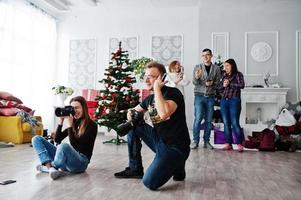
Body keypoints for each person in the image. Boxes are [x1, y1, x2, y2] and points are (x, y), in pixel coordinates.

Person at [114, 61, 191, 191]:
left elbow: (164, 114)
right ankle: (135, 168)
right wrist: (130, 113)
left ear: (162, 78)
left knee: (149, 182)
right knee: (134, 125)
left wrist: (156, 89)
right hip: (159, 141)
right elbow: (135, 110)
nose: (146, 79)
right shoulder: (149, 99)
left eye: (150, 76)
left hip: (175, 147)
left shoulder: (173, 94)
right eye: (146, 76)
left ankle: (177, 163)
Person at [32, 96, 98, 180]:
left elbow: (77, 147)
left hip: (80, 163)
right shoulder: (74, 123)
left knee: (63, 146)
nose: (74, 111)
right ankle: (51, 169)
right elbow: (57, 139)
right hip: (66, 163)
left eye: (77, 108)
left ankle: (51, 167)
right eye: (72, 108)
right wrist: (61, 123)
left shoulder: (92, 125)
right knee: (36, 139)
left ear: (83, 108)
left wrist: (70, 126)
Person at [191, 48, 221, 149]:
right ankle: (195, 141)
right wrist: (197, 77)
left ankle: (206, 142)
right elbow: (195, 82)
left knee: (208, 120)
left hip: (210, 97)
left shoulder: (216, 68)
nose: (205, 57)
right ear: (202, 57)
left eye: (207, 55)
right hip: (199, 96)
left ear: (211, 56)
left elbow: (218, 83)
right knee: (198, 119)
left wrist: (213, 83)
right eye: (203, 55)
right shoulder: (197, 67)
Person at [218, 58, 245, 152]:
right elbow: (220, 89)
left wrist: (230, 84)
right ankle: (228, 144)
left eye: (227, 65)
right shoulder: (223, 75)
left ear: (232, 66)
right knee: (226, 123)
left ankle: (239, 143)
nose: (225, 67)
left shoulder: (238, 74)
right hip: (224, 101)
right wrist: (224, 86)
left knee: (235, 123)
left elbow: (242, 85)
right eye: (224, 66)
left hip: (234, 101)